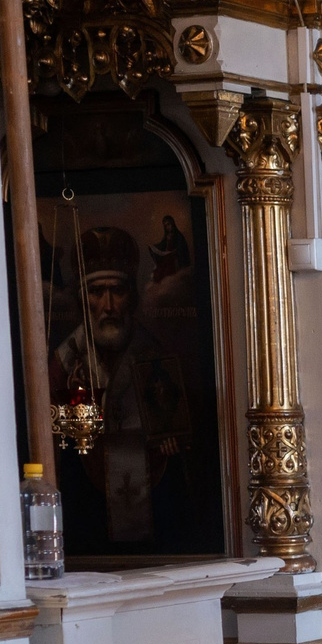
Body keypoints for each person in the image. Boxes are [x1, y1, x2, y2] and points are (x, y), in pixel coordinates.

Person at [50, 226, 194, 548]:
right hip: (87, 505)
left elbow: (182, 436)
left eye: (117, 290)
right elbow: (51, 442)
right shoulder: (63, 362)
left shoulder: (154, 355)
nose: (109, 305)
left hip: (154, 501)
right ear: (82, 298)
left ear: (133, 296)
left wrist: (173, 438)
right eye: (97, 292)